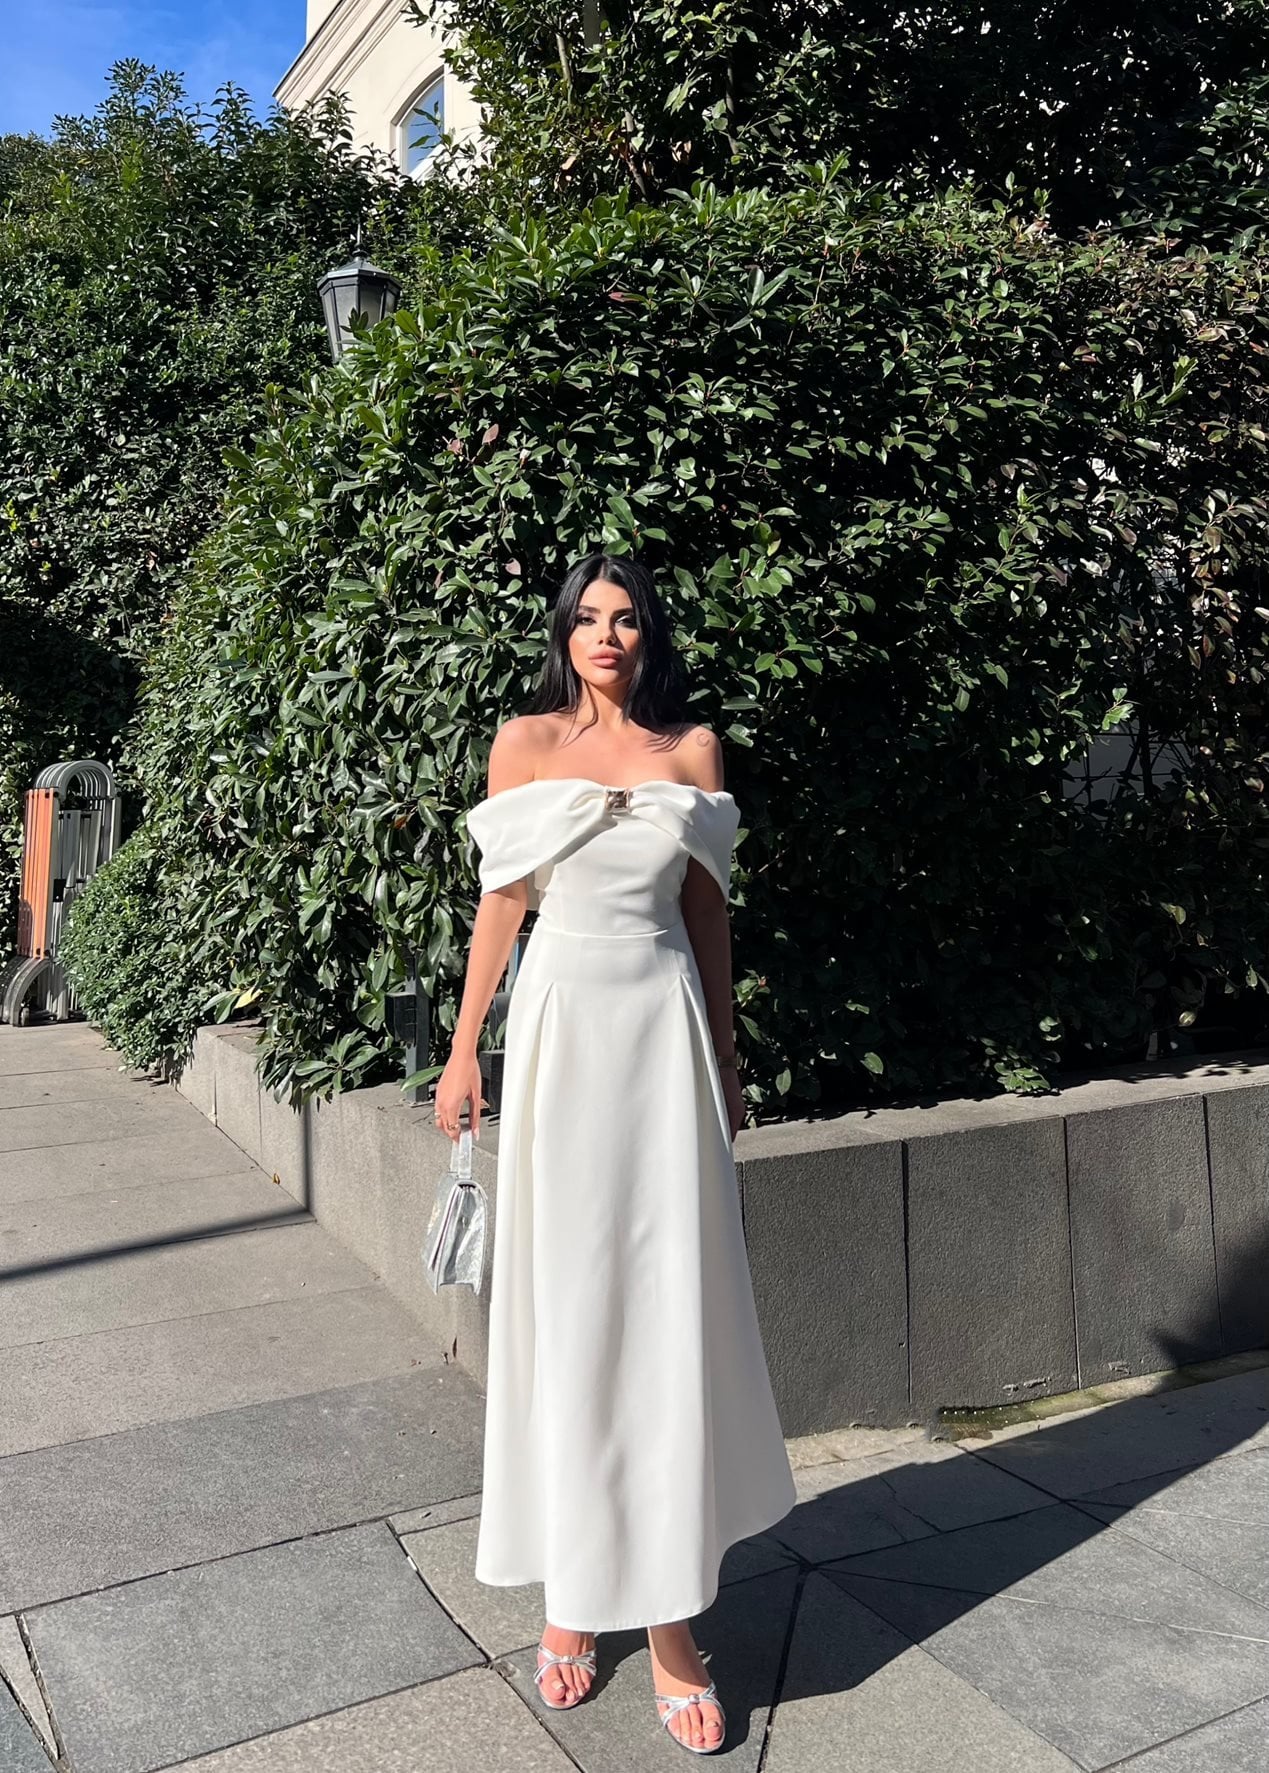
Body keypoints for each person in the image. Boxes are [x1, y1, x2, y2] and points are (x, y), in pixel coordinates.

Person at [433, 553, 796, 1755]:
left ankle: (672, 1625)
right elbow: (502, 901)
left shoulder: (692, 753)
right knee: (570, 1311)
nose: (606, 634)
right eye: (588, 618)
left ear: (648, 636)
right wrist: (463, 1049)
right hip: (559, 1037)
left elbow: (705, 912)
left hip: (661, 1041)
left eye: (626, 617)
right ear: (565, 634)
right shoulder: (524, 745)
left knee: (662, 1313)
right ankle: (573, 1597)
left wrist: (728, 1059)